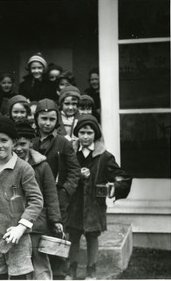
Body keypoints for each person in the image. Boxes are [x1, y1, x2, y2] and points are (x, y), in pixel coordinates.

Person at [0, 116, 44, 280]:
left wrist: (21, 227)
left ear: (13, 142)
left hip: (15, 235)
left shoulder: (23, 168)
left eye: (4, 140)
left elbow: (36, 200)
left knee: (18, 275)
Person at [65, 115, 132, 280]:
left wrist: (114, 187)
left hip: (94, 205)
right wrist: (76, 175)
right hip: (75, 204)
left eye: (89, 133)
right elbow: (63, 174)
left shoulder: (104, 156)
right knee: (73, 237)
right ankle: (71, 271)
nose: (85, 136)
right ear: (77, 133)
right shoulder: (71, 153)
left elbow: (120, 176)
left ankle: (91, 271)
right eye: (82, 132)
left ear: (96, 135)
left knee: (92, 238)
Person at [32, 99, 81, 279]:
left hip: (57, 200)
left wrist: (66, 191)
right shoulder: (31, 141)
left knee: (56, 237)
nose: (47, 123)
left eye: (52, 119)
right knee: (36, 240)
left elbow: (75, 170)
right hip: (35, 199)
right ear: (36, 118)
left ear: (57, 120)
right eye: (43, 118)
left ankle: (59, 274)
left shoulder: (63, 143)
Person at [13, 120, 63, 280]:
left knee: (40, 263)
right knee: (20, 264)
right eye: (15, 144)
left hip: (37, 224)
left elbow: (51, 194)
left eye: (23, 144)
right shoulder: (8, 165)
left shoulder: (42, 166)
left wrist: (55, 220)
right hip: (15, 222)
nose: (19, 148)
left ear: (30, 143)